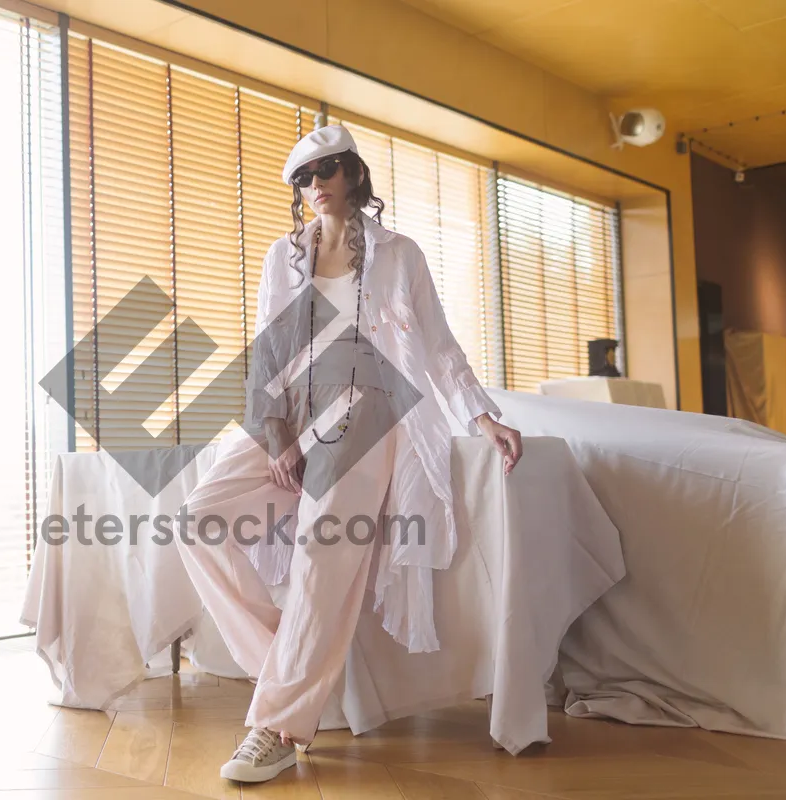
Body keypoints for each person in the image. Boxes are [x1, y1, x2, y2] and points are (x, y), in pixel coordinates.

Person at [174, 124, 522, 784]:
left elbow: (440, 345)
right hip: (295, 409)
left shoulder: (400, 254)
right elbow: (267, 350)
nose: (315, 185)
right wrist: (276, 437)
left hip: (368, 407)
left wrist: (482, 417)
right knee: (196, 517)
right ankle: (292, 660)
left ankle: (276, 726)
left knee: (321, 553)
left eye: (328, 169)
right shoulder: (285, 255)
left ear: (355, 174)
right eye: (302, 178)